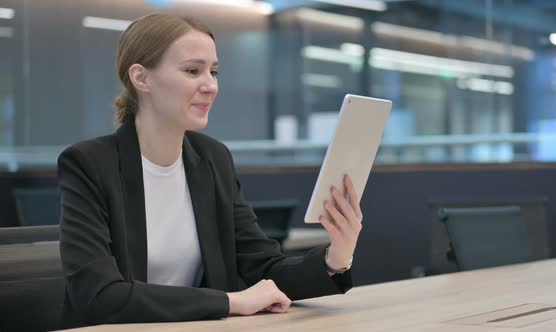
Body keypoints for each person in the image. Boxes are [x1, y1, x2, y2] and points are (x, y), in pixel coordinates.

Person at [57, 13, 363, 328]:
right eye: (192, 70)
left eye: (213, 71)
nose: (210, 86)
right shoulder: (89, 164)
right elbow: (99, 296)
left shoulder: (212, 158)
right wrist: (231, 301)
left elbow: (263, 268)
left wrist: (335, 259)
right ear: (141, 78)